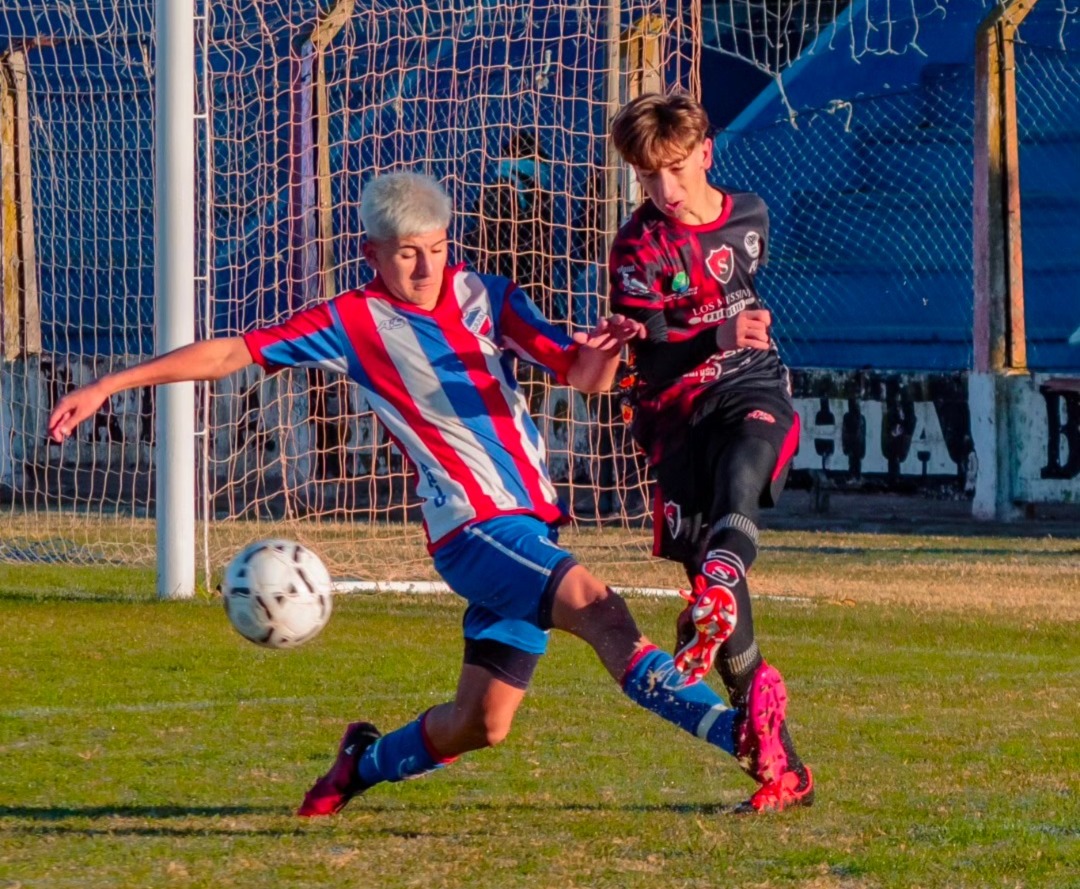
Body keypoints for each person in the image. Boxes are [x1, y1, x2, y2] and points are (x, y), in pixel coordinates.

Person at [48, 171, 790, 817]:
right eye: (406, 252)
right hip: (472, 528)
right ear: (371, 253)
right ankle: (745, 736)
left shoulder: (485, 293)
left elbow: (577, 374)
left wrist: (606, 354)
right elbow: (234, 352)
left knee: (482, 722)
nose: (425, 265)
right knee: (603, 611)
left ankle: (359, 762)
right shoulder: (350, 320)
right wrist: (111, 383)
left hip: (528, 525)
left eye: (435, 247)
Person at [607, 93, 815, 812]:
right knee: (728, 639)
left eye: (671, 170)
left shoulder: (751, 216)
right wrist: (712, 339)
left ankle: (720, 584)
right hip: (674, 418)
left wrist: (731, 347)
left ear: (705, 153)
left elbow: (737, 311)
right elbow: (652, 360)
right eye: (646, 178)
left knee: (744, 474)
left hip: (750, 386)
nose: (663, 190)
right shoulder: (637, 248)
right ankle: (782, 765)